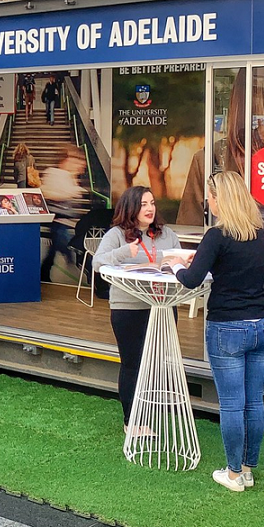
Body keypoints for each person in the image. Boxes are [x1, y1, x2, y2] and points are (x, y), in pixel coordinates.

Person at [168, 171, 264, 493]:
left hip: (227, 326)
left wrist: (173, 263)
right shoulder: (259, 234)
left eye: (210, 197)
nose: (208, 202)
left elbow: (191, 279)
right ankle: (247, 469)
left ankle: (232, 475)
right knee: (253, 402)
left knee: (231, 404)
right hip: (262, 325)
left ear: (219, 199)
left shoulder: (216, 235)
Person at [95, 187, 180, 436]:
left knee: (154, 363)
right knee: (132, 364)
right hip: (129, 308)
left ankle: (147, 413)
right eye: (144, 204)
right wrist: (125, 252)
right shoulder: (117, 235)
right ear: (131, 207)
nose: (150, 208)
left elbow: (177, 260)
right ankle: (131, 421)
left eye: (152, 203)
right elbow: (98, 263)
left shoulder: (167, 234)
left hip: (162, 307)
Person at [40, 145, 88, 282]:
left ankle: (44, 274)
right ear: (65, 160)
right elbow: (47, 192)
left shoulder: (69, 176)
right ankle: (72, 263)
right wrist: (69, 193)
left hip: (64, 221)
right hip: (58, 220)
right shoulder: (54, 173)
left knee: (53, 251)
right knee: (63, 245)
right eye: (73, 159)